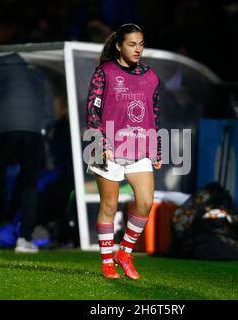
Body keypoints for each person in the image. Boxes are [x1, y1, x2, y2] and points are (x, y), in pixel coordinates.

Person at [85, 23, 162, 279]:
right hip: (106, 146)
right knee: (109, 205)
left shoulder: (151, 76)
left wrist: (157, 148)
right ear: (119, 46)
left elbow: (155, 114)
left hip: (139, 147)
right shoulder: (104, 72)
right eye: (132, 44)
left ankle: (124, 253)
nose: (137, 49)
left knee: (145, 202)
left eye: (141, 44)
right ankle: (107, 261)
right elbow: (92, 111)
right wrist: (101, 143)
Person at [0, 52, 55, 253]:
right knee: (29, 183)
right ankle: (24, 238)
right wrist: (42, 129)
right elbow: (49, 112)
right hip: (34, 131)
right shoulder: (36, 74)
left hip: (0, 128)